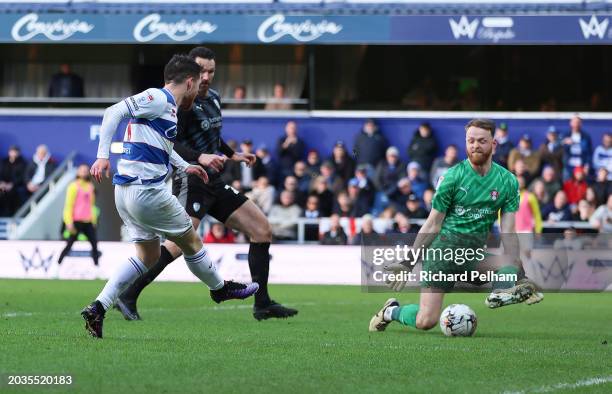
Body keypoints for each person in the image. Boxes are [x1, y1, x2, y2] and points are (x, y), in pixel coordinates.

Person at [81, 54, 259, 339]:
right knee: (191, 241)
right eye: (197, 84)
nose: (197, 92)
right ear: (190, 82)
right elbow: (112, 113)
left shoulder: (167, 111)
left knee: (148, 254)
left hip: (125, 193)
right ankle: (219, 288)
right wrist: (103, 157)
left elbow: (163, 145)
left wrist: (186, 165)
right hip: (146, 191)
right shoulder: (158, 98)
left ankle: (98, 307)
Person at [114, 47, 297, 322]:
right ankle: (128, 294)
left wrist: (231, 153)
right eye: (202, 71)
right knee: (179, 244)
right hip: (192, 179)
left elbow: (213, 134)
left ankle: (262, 304)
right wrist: (200, 157)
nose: (207, 76)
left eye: (211, 71)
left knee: (262, 229)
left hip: (215, 181)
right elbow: (170, 142)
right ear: (190, 74)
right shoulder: (178, 104)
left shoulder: (213, 98)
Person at [370, 119, 542, 334]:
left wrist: (519, 276)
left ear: (494, 144)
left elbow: (508, 232)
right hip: (441, 255)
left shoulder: (507, 181)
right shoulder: (452, 177)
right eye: (470, 141)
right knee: (426, 321)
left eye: (481, 141)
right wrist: (408, 263)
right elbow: (432, 223)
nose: (475, 145)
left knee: (511, 262)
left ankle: (500, 293)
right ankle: (391, 311)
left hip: (471, 256)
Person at [57, 164, 100, 269]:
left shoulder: (91, 186)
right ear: (78, 172)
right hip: (76, 221)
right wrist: (68, 221)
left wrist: (93, 221)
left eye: (86, 170)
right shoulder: (73, 186)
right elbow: (68, 205)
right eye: (82, 170)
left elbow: (92, 206)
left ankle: (96, 267)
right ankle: (58, 265)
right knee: (69, 244)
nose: (84, 172)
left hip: (88, 221)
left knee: (94, 244)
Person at [562, 115, 592, 180]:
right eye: (574, 122)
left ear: (581, 124)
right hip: (568, 166)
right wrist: (564, 142)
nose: (576, 124)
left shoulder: (586, 136)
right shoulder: (565, 135)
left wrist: (587, 165)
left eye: (578, 122)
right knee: (567, 184)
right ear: (571, 123)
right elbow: (557, 148)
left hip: (581, 165)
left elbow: (589, 153)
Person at [0, 145, 28, 216]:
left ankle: (10, 215)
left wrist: (12, 184)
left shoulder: (23, 163)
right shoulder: (4, 161)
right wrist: (1, 183)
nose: (13, 153)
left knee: (11, 193)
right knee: (1, 192)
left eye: (15, 152)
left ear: (18, 153)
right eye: (12, 151)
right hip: (3, 185)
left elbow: (22, 177)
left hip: (16, 186)